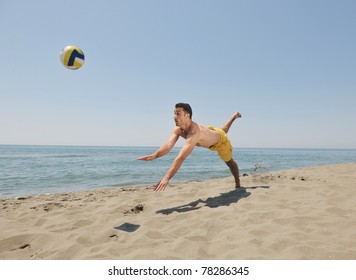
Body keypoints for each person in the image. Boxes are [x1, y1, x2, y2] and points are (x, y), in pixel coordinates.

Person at [137, 103, 242, 192]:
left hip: (220, 143)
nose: (174, 116)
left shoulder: (194, 132)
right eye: (174, 113)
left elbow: (181, 157)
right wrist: (155, 155)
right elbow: (169, 145)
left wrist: (167, 177)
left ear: (187, 115)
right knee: (220, 131)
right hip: (210, 131)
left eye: (178, 114)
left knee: (229, 162)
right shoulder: (178, 129)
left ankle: (238, 184)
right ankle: (233, 117)